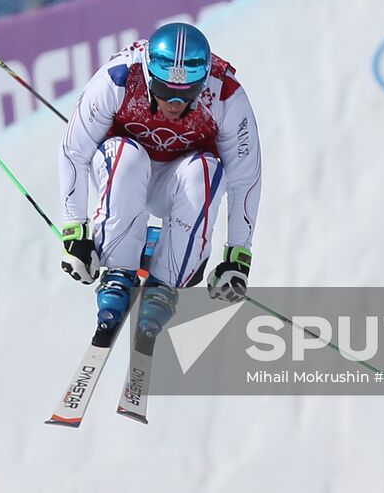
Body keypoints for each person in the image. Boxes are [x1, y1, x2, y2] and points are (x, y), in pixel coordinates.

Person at [56, 22, 263, 349]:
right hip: (121, 174)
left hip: (178, 184)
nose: (174, 103)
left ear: (203, 81)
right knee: (128, 155)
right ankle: (117, 274)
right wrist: (75, 232)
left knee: (205, 171)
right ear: (150, 75)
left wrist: (237, 257)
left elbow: (245, 179)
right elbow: (74, 151)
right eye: (165, 90)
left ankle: (164, 285)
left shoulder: (225, 94)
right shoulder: (119, 78)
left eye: (186, 93)